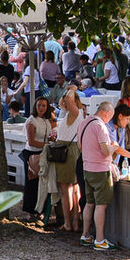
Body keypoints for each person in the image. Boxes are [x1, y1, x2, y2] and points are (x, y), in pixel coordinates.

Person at [78, 101, 120, 251]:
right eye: (110, 117)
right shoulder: (100, 126)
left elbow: (80, 147)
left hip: (87, 167)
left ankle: (86, 235)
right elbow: (105, 151)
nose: (109, 120)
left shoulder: (84, 122)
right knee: (101, 205)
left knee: (89, 203)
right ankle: (100, 239)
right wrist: (114, 146)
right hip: (101, 170)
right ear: (107, 113)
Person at [53, 86, 84, 232]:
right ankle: (75, 222)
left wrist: (73, 88)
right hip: (71, 151)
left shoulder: (76, 113)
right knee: (74, 189)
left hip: (67, 152)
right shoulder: (73, 115)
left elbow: (67, 99)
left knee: (66, 189)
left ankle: (68, 223)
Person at [20, 96, 52, 216]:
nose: (41, 108)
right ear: (35, 106)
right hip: (32, 152)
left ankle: (40, 210)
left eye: (44, 106)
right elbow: (31, 141)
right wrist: (47, 145)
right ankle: (30, 211)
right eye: (39, 105)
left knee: (42, 183)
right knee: (31, 182)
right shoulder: (31, 121)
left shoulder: (47, 120)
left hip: (43, 153)